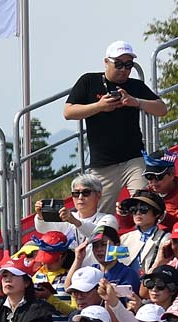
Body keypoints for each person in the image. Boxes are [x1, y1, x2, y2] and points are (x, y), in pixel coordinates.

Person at [62, 41, 170, 211]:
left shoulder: (135, 85)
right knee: (99, 215)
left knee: (144, 204)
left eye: (129, 65)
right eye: (118, 64)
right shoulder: (89, 81)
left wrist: (136, 102)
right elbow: (68, 112)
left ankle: (145, 235)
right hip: (103, 164)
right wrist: (99, 106)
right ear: (106, 62)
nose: (123, 69)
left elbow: (162, 109)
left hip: (133, 159)